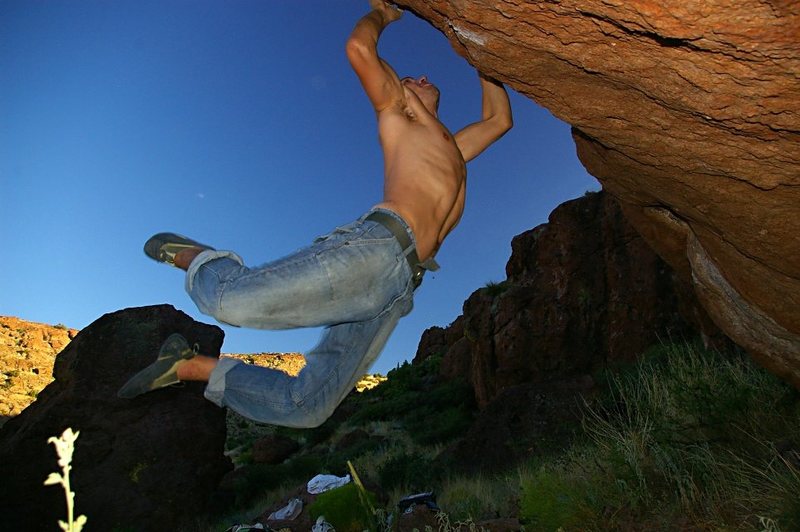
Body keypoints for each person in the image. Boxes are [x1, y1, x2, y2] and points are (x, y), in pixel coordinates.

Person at [118, 0, 512, 428]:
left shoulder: (451, 146)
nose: (422, 77)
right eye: (410, 78)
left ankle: (189, 367)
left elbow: (499, 120)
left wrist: (483, 60)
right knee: (228, 301)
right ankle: (196, 258)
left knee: (307, 407)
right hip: (375, 251)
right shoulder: (399, 115)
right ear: (400, 91)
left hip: (399, 287)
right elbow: (360, 51)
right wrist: (384, 14)